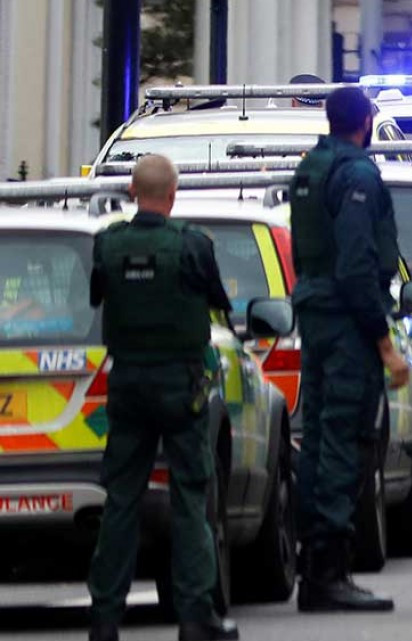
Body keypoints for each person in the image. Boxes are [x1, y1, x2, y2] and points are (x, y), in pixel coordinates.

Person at [87, 155, 239, 641]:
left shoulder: (108, 244)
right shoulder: (192, 245)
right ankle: (196, 615)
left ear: (133, 191)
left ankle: (105, 617)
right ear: (173, 194)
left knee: (122, 500)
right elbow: (219, 299)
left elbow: (97, 295)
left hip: (128, 384)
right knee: (190, 496)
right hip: (181, 387)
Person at [290, 86, 409, 612]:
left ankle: (312, 561)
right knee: (342, 440)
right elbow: (358, 264)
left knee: (317, 438)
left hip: (315, 315)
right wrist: (384, 342)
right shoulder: (358, 175)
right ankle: (328, 573)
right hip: (346, 324)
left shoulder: (310, 169)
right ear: (365, 123)